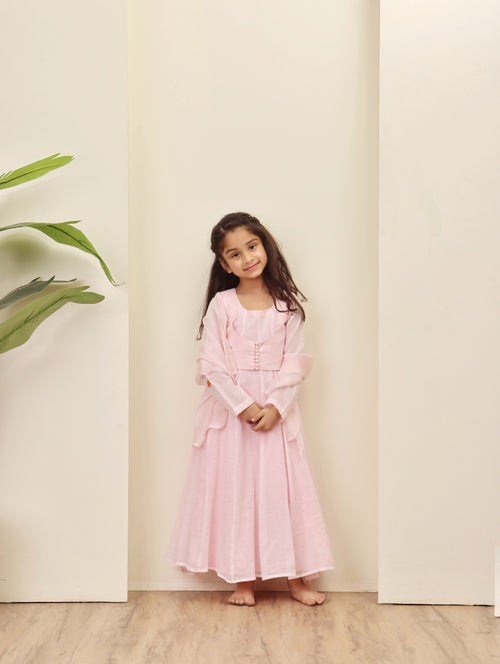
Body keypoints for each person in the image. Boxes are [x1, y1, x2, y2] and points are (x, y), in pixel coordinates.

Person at [167, 212, 334, 606]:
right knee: (236, 490)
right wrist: (243, 406)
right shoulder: (222, 305)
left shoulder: (288, 307)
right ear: (225, 264)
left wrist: (275, 406)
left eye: (252, 246)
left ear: (265, 245)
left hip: (278, 414)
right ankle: (242, 581)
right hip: (231, 416)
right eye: (235, 254)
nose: (247, 258)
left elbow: (294, 364)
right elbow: (211, 365)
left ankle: (297, 580)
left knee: (284, 492)